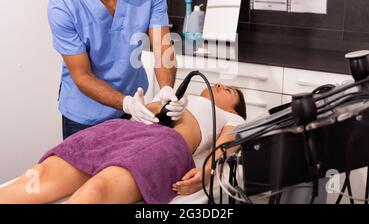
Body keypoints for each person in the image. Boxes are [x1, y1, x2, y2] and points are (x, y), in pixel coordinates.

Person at [48, 0, 187, 139]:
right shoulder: (62, 5)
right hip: (84, 116)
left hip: (133, 108)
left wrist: (166, 89)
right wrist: (126, 102)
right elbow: (82, 75)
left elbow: (162, 46)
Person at [0, 84, 247, 204]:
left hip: (164, 143)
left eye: (228, 89)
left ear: (234, 108)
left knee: (97, 191)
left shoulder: (230, 117)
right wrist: (142, 107)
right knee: (38, 176)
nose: (217, 85)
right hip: (120, 129)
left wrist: (206, 170)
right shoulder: (179, 97)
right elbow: (142, 112)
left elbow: (228, 143)